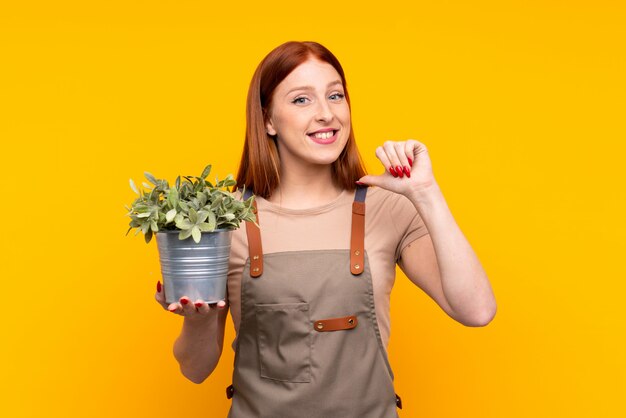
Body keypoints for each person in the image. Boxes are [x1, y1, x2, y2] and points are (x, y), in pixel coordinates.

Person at [155, 41, 497, 417]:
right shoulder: (225, 218)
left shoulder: (389, 206)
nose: (326, 114)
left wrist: (426, 194)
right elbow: (195, 369)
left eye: (335, 95)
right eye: (302, 100)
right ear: (267, 119)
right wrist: (197, 321)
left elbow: (477, 310)